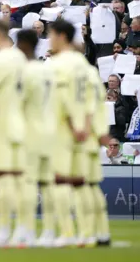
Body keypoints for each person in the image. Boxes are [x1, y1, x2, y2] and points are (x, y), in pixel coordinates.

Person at [47, 19, 91, 247]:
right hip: (83, 128)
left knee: (60, 182)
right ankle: (87, 232)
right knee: (80, 182)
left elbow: (63, 99)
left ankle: (67, 232)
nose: (49, 39)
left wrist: (73, 126)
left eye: (51, 34)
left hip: (64, 128)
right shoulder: (83, 64)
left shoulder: (59, 64)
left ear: (61, 36)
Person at [0, 19, 27, 247]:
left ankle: (3, 230)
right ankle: (23, 229)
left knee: (2, 179)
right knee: (20, 179)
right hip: (21, 124)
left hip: (2, 125)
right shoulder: (21, 58)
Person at [16, 29, 56, 247]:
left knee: (28, 182)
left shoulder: (26, 72)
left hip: (30, 132)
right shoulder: (47, 71)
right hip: (50, 132)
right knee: (47, 184)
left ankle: (27, 230)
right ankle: (49, 231)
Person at [84, 63, 112, 247]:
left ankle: (85, 233)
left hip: (79, 140)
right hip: (92, 138)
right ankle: (102, 233)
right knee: (91, 187)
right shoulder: (92, 75)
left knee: (77, 186)